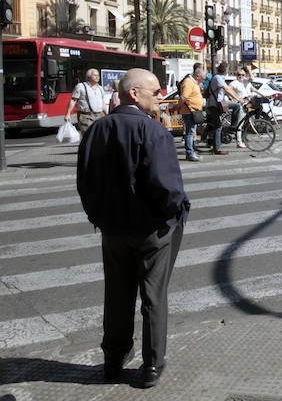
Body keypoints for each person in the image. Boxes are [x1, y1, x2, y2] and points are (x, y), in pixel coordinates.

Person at [76, 68, 190, 389]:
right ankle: (152, 365)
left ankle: (113, 360)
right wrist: (173, 215)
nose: (161, 96)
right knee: (153, 296)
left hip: (113, 231)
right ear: (135, 94)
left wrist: (100, 218)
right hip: (152, 230)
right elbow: (168, 188)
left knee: (117, 295)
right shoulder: (155, 132)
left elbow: (85, 183)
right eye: (156, 92)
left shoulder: (97, 130)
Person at [206, 62, 242, 155]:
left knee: (218, 125)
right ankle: (217, 148)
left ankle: (230, 128)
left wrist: (232, 97)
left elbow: (225, 91)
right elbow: (227, 89)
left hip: (219, 103)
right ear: (226, 70)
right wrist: (238, 98)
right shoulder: (218, 78)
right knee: (218, 126)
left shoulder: (220, 78)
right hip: (215, 105)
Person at [65, 68, 106, 134]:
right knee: (88, 135)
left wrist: (107, 114)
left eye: (98, 75)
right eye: (95, 75)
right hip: (86, 116)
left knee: (98, 136)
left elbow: (103, 103)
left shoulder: (100, 88)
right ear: (88, 77)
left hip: (99, 115)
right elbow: (73, 100)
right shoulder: (81, 86)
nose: (97, 77)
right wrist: (68, 114)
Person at [178, 65, 207, 161]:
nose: (203, 80)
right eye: (203, 78)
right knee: (190, 132)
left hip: (193, 110)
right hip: (189, 111)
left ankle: (191, 152)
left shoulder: (193, 82)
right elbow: (184, 97)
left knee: (191, 132)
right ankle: (190, 153)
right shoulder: (189, 82)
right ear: (197, 76)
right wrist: (176, 106)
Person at [229, 67, 258, 149]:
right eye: (239, 75)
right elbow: (228, 89)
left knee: (244, 123)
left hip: (247, 103)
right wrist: (232, 97)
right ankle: (239, 142)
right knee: (240, 124)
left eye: (242, 75)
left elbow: (252, 78)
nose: (241, 76)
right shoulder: (235, 83)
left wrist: (249, 70)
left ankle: (242, 138)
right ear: (236, 75)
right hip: (240, 104)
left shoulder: (245, 81)